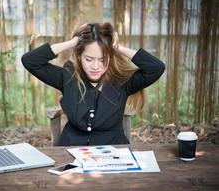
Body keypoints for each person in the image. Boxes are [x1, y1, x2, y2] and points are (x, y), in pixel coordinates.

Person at [22, 22, 165, 146]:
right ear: (79, 56)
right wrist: (73, 43)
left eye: (103, 59)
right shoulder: (68, 77)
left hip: (113, 154)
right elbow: (30, 61)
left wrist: (117, 48)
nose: (96, 66)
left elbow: (156, 68)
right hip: (70, 151)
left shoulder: (122, 82)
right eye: (89, 59)